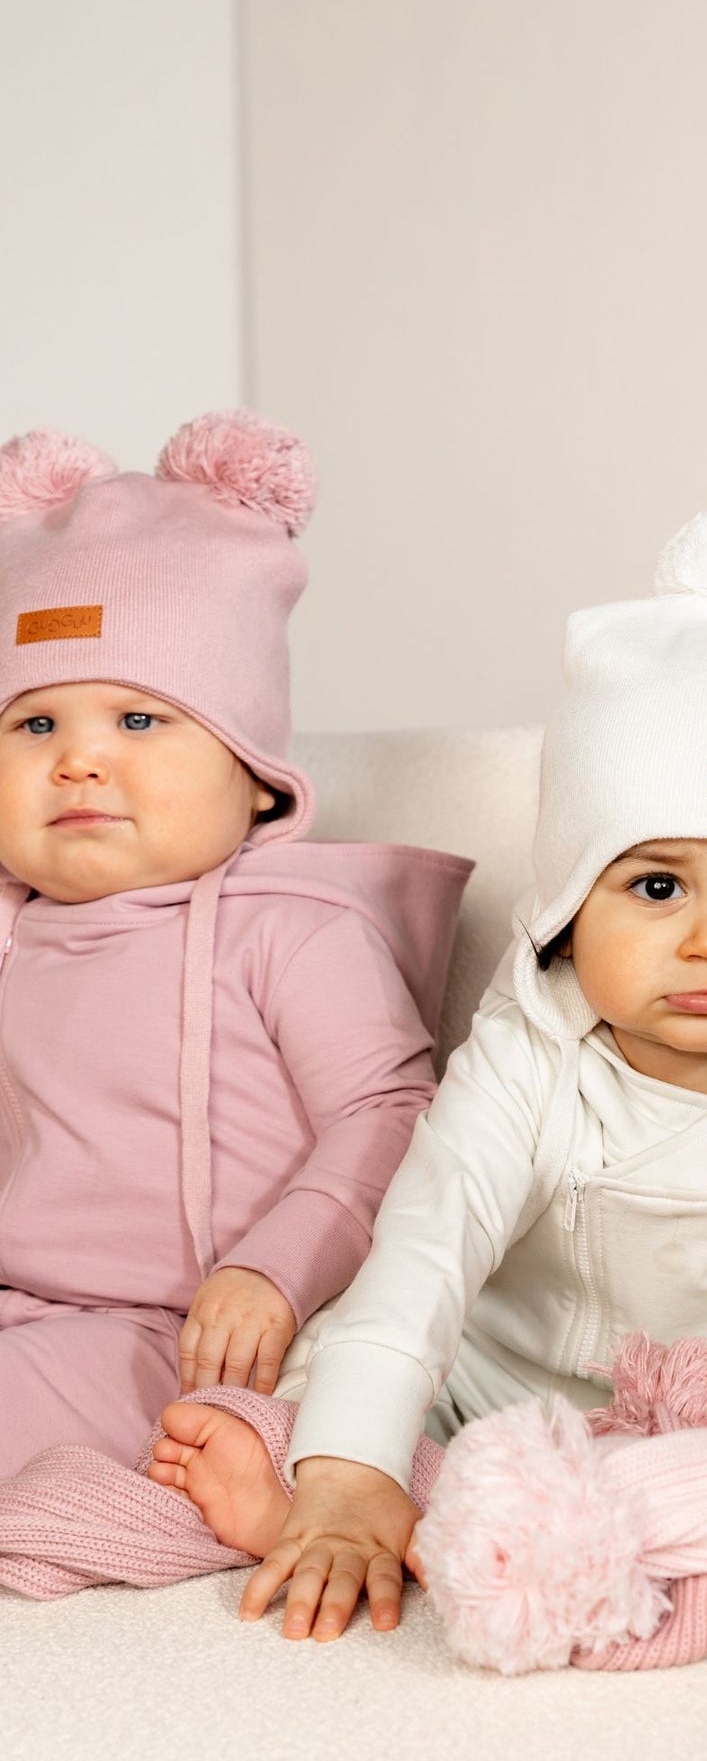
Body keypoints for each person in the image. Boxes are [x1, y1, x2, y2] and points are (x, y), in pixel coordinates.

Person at [148, 501, 707, 1641]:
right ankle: (363, 1492)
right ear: (568, 904)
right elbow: (427, 1252)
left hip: (698, 1424)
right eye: (656, 887)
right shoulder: (525, 1060)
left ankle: (513, 1523)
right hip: (478, 1383)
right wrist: (352, 1464)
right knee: (312, 1400)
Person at [0, 413, 468, 1479]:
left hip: (192, 1331)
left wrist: (276, 1270)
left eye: (138, 721)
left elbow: (392, 1113)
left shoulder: (289, 929)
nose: (77, 762)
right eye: (35, 725)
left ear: (256, 774)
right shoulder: (17, 933)